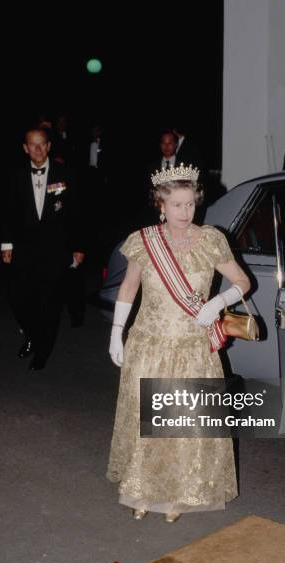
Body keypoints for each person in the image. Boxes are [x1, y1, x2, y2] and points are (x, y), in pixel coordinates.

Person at [106, 164, 250, 522]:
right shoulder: (145, 241)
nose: (185, 213)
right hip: (149, 344)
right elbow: (129, 288)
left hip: (192, 347)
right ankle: (142, 490)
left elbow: (243, 282)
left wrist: (218, 302)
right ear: (161, 205)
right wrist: (116, 332)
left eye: (190, 204)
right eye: (177, 205)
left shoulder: (212, 239)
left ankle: (181, 494)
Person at [1, 128, 85, 370]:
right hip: (24, 249)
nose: (37, 149)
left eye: (42, 144)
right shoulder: (15, 176)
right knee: (17, 296)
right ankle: (31, 334)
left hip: (55, 249)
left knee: (49, 303)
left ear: (48, 146)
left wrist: (78, 246)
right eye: (32, 145)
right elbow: (8, 213)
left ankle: (42, 351)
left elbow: (76, 212)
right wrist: (6, 243)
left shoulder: (65, 173)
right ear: (25, 148)